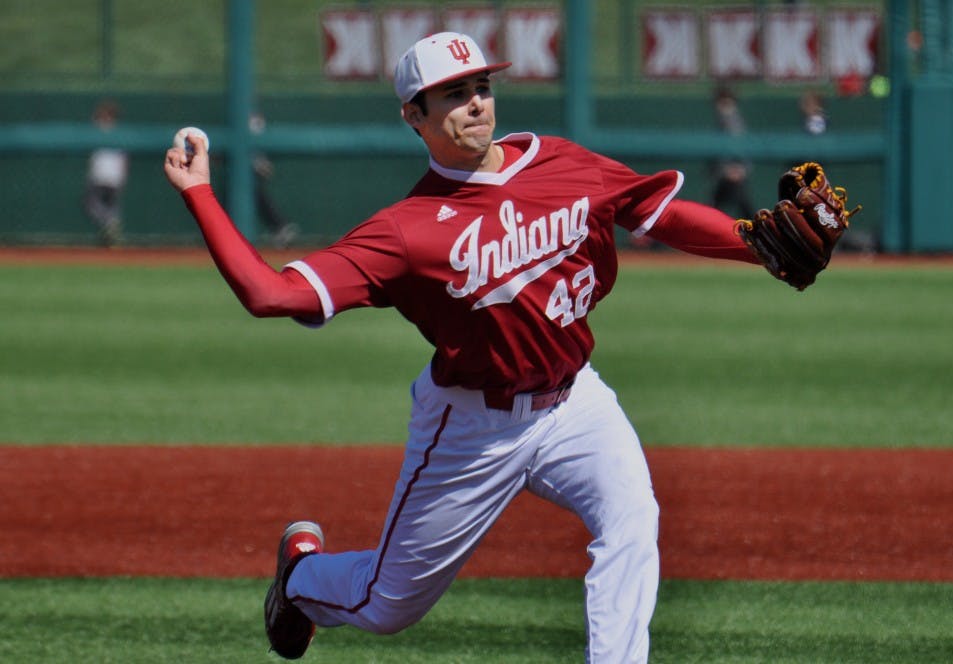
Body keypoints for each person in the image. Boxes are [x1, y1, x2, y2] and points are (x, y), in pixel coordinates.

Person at [163, 32, 759, 663]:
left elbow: (660, 214)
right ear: (413, 116)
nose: (476, 103)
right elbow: (270, 294)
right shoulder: (406, 231)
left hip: (575, 403)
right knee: (387, 606)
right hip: (473, 427)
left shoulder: (560, 163)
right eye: (453, 94)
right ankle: (300, 579)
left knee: (632, 519)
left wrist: (759, 246)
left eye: (481, 87)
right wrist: (200, 193)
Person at [249, 112, 299, 248]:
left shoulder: (255, 121)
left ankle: (280, 227)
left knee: (256, 195)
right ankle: (280, 226)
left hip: (252, 170)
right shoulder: (244, 119)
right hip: (246, 169)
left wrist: (261, 164)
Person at [84, 99, 129, 246]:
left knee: (94, 205)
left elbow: (124, 158)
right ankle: (111, 227)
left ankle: (110, 226)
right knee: (106, 207)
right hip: (112, 176)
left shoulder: (101, 132)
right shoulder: (119, 133)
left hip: (103, 175)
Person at [709, 86, 754, 220]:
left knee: (742, 206)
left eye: (725, 102)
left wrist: (739, 168)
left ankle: (757, 229)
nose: (720, 106)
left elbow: (739, 146)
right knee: (716, 206)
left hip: (733, 171)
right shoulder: (723, 119)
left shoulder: (733, 119)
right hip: (727, 171)